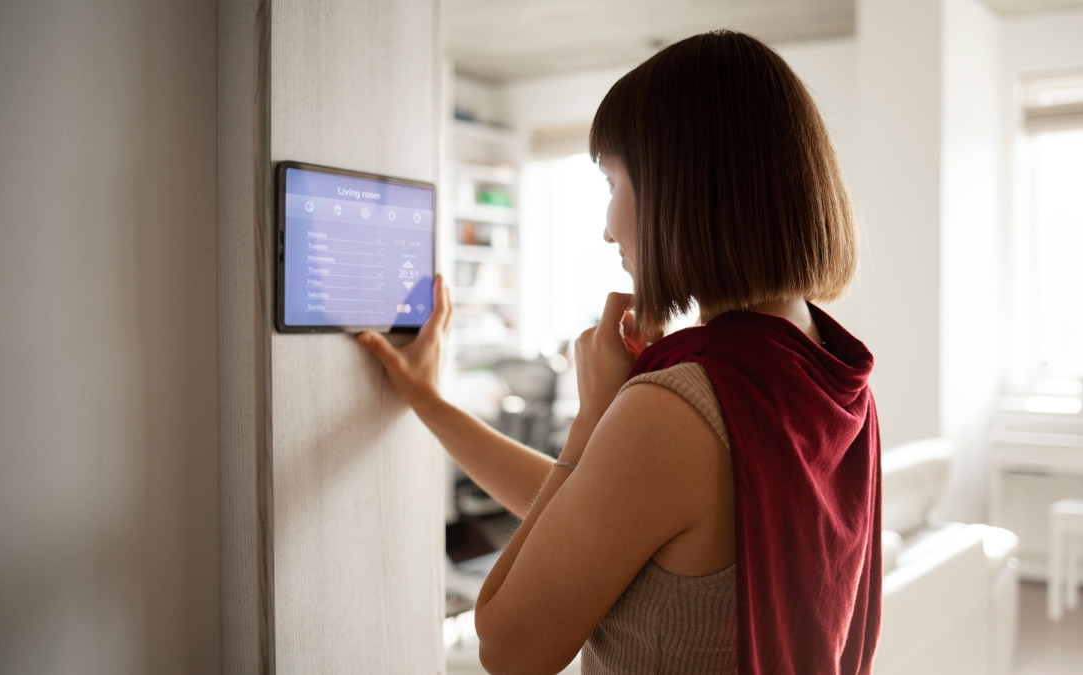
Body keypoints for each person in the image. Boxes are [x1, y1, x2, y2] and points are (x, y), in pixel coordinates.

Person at [359, 30, 881, 675]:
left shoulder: (679, 407)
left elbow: (507, 648)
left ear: (683, 188)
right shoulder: (820, 364)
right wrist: (427, 401)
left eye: (612, 181)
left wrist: (592, 420)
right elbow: (589, 515)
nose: (608, 225)